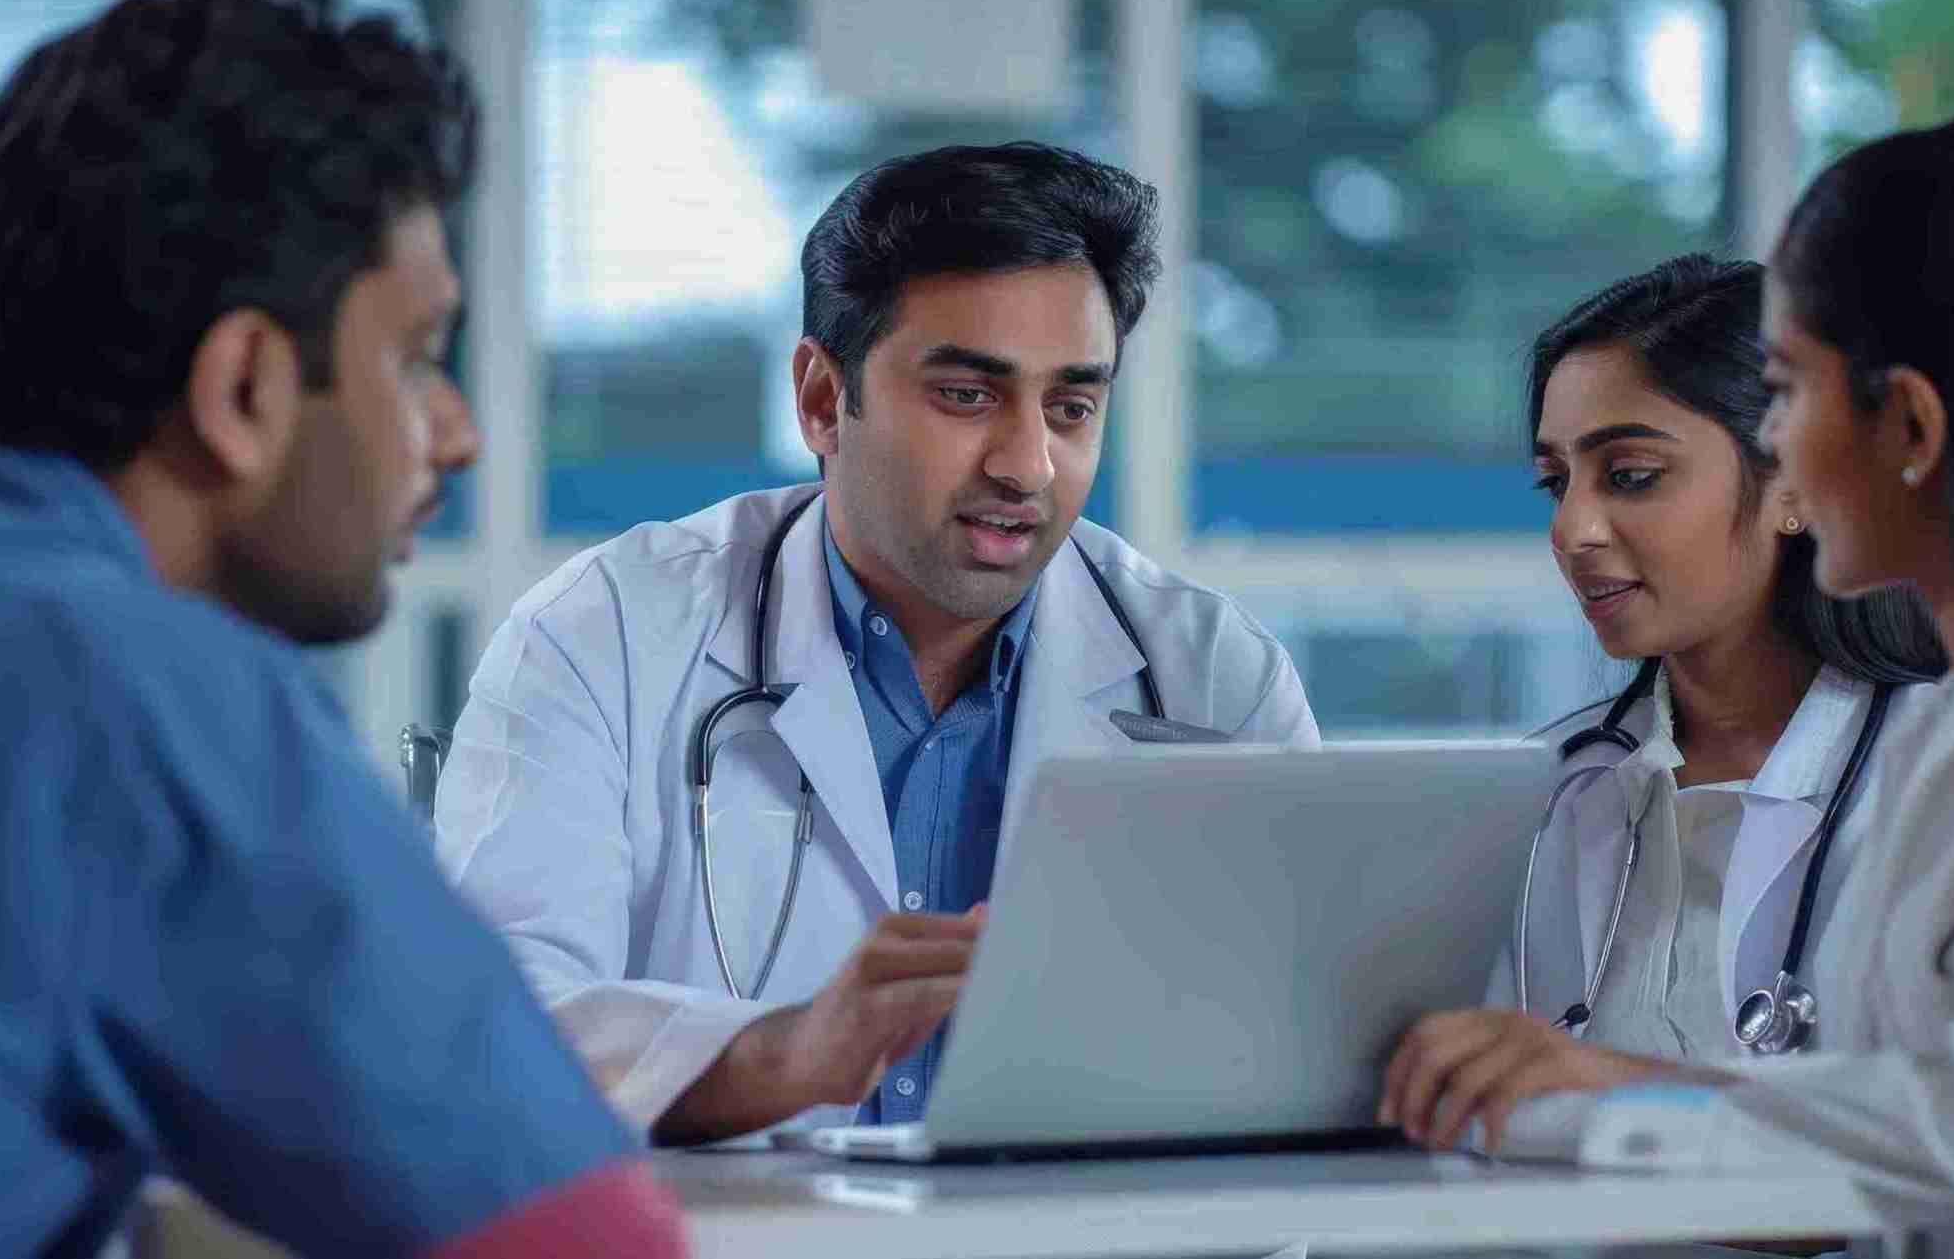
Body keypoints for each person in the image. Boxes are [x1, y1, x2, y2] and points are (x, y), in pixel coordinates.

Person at [1380, 114, 1954, 1257]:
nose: (1779, 448)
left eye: (1786, 394)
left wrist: (1614, 1093)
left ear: (1909, 423)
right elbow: (1889, 1123)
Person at [0, 0, 683, 1257]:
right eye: (415, 356)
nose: (456, 433)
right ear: (245, 388)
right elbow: (587, 1240)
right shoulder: (141, 695)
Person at [436, 141, 1321, 1145]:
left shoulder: (1214, 677)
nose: (1028, 465)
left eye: (1071, 407)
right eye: (967, 395)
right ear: (823, 399)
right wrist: (784, 1054)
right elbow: (492, 1029)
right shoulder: (604, 634)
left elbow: (1303, 1048)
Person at [1381, 255, 1942, 1157]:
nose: (1571, 529)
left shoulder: (1948, 771)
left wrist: (1611, 1081)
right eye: (1556, 481)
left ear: (1795, 481)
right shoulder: (1542, 794)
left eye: (1631, 474)